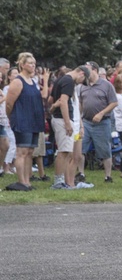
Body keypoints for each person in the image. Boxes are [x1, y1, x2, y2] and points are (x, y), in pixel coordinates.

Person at [4, 53, 49, 191]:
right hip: (22, 120)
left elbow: (43, 96)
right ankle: (21, 181)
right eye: (29, 63)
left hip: (34, 120)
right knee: (21, 151)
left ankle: (27, 181)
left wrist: (45, 81)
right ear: (22, 65)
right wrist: (12, 118)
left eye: (34, 63)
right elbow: (9, 104)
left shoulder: (33, 81)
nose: (33, 65)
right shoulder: (18, 82)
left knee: (30, 151)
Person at [49, 65, 92, 189]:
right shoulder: (68, 81)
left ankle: (64, 181)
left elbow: (54, 100)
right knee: (64, 152)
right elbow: (63, 102)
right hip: (63, 120)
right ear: (81, 74)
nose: (81, 83)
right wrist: (67, 123)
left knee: (68, 153)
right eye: (82, 80)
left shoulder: (61, 80)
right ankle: (58, 182)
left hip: (64, 119)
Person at [79, 61, 118, 183]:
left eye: (87, 70)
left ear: (95, 70)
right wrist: (79, 117)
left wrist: (101, 113)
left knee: (104, 149)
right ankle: (81, 173)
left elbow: (114, 102)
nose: (84, 73)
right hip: (86, 121)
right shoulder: (83, 86)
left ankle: (108, 176)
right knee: (81, 148)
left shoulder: (106, 85)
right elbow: (81, 103)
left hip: (102, 122)